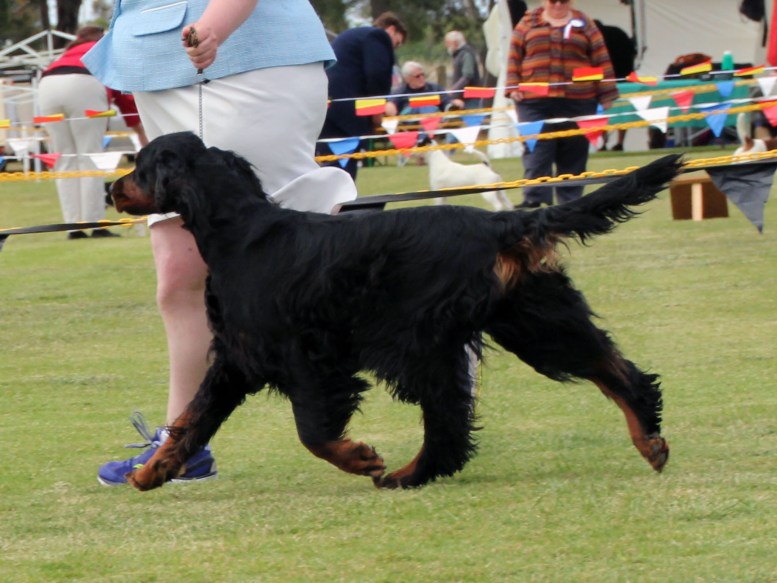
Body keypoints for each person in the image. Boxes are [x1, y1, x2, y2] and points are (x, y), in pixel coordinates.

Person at [83, 0, 356, 485]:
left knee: (306, 236)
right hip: (157, 67)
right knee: (178, 274)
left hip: (247, 56)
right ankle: (180, 447)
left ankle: (430, 301)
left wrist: (213, 27)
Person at [38, 26, 147, 239]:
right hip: (84, 82)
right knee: (91, 156)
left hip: (47, 85)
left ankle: (73, 227)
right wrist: (138, 128)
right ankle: (96, 224)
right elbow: (122, 92)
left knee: (64, 159)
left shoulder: (66, 53)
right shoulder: (104, 48)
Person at [506, 0, 618, 208]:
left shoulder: (585, 23)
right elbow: (514, 54)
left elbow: (601, 57)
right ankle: (534, 200)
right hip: (534, 101)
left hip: (579, 100)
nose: (558, 4)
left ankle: (570, 205)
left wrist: (607, 93)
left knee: (574, 153)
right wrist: (513, 86)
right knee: (537, 149)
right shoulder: (528, 21)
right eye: (553, 0)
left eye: (563, 0)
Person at [317, 12, 407, 180]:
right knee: (344, 170)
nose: (394, 48)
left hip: (327, 105)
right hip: (347, 112)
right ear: (392, 30)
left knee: (331, 165)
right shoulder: (378, 36)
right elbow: (377, 75)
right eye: (397, 42)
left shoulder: (355, 36)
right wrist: (377, 111)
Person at [594, 19, 637, 151]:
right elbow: (633, 51)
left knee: (600, 112)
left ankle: (603, 143)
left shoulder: (595, 37)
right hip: (625, 76)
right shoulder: (617, 31)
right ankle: (620, 142)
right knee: (622, 111)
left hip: (602, 79)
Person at [444, 30, 482, 109]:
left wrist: (454, 90)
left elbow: (467, 75)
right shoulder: (460, 54)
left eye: (447, 43)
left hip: (471, 98)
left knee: (472, 120)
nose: (446, 45)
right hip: (465, 97)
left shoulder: (466, 54)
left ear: (455, 43)